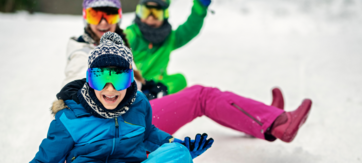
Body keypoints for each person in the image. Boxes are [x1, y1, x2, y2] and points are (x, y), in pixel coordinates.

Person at [8, 32, 214, 163]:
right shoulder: (70, 116)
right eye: (101, 79)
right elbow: (45, 161)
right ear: (89, 79)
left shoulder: (139, 103)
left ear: (130, 79)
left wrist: (175, 144)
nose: (110, 89)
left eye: (119, 79)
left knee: (179, 152)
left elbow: (148, 133)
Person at [63, 0, 312, 143]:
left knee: (186, 86)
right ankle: (273, 121)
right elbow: (77, 81)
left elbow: (187, 31)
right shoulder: (83, 50)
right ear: (86, 17)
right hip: (117, 133)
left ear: (119, 16)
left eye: (110, 14)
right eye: (96, 15)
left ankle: (268, 119)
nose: (104, 22)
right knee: (200, 96)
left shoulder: (120, 42)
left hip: (129, 122)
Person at [125, 0, 211, 94]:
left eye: (156, 13)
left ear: (165, 14)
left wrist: (200, 7)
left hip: (157, 86)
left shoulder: (169, 39)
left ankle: (157, 97)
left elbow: (189, 29)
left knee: (179, 80)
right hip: (132, 85)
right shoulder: (131, 35)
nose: (150, 17)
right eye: (146, 12)